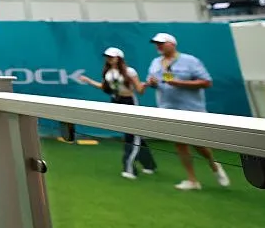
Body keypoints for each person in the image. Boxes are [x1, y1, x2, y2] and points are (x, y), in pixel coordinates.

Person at [145, 33, 230, 191]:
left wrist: (179, 83)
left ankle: (213, 164)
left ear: (172, 44)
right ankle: (192, 180)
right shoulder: (155, 63)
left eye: (161, 43)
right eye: (156, 43)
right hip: (168, 108)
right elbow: (155, 81)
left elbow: (206, 82)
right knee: (180, 144)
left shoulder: (190, 61)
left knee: (198, 143)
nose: (158, 46)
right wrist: (152, 82)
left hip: (191, 109)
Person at [78, 47, 157, 179]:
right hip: (116, 102)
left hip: (129, 102)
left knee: (132, 136)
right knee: (133, 135)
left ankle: (128, 169)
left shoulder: (130, 71)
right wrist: (88, 81)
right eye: (107, 57)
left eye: (112, 56)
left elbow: (139, 90)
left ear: (119, 58)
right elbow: (104, 87)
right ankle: (149, 165)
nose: (109, 59)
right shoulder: (108, 72)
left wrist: (147, 84)